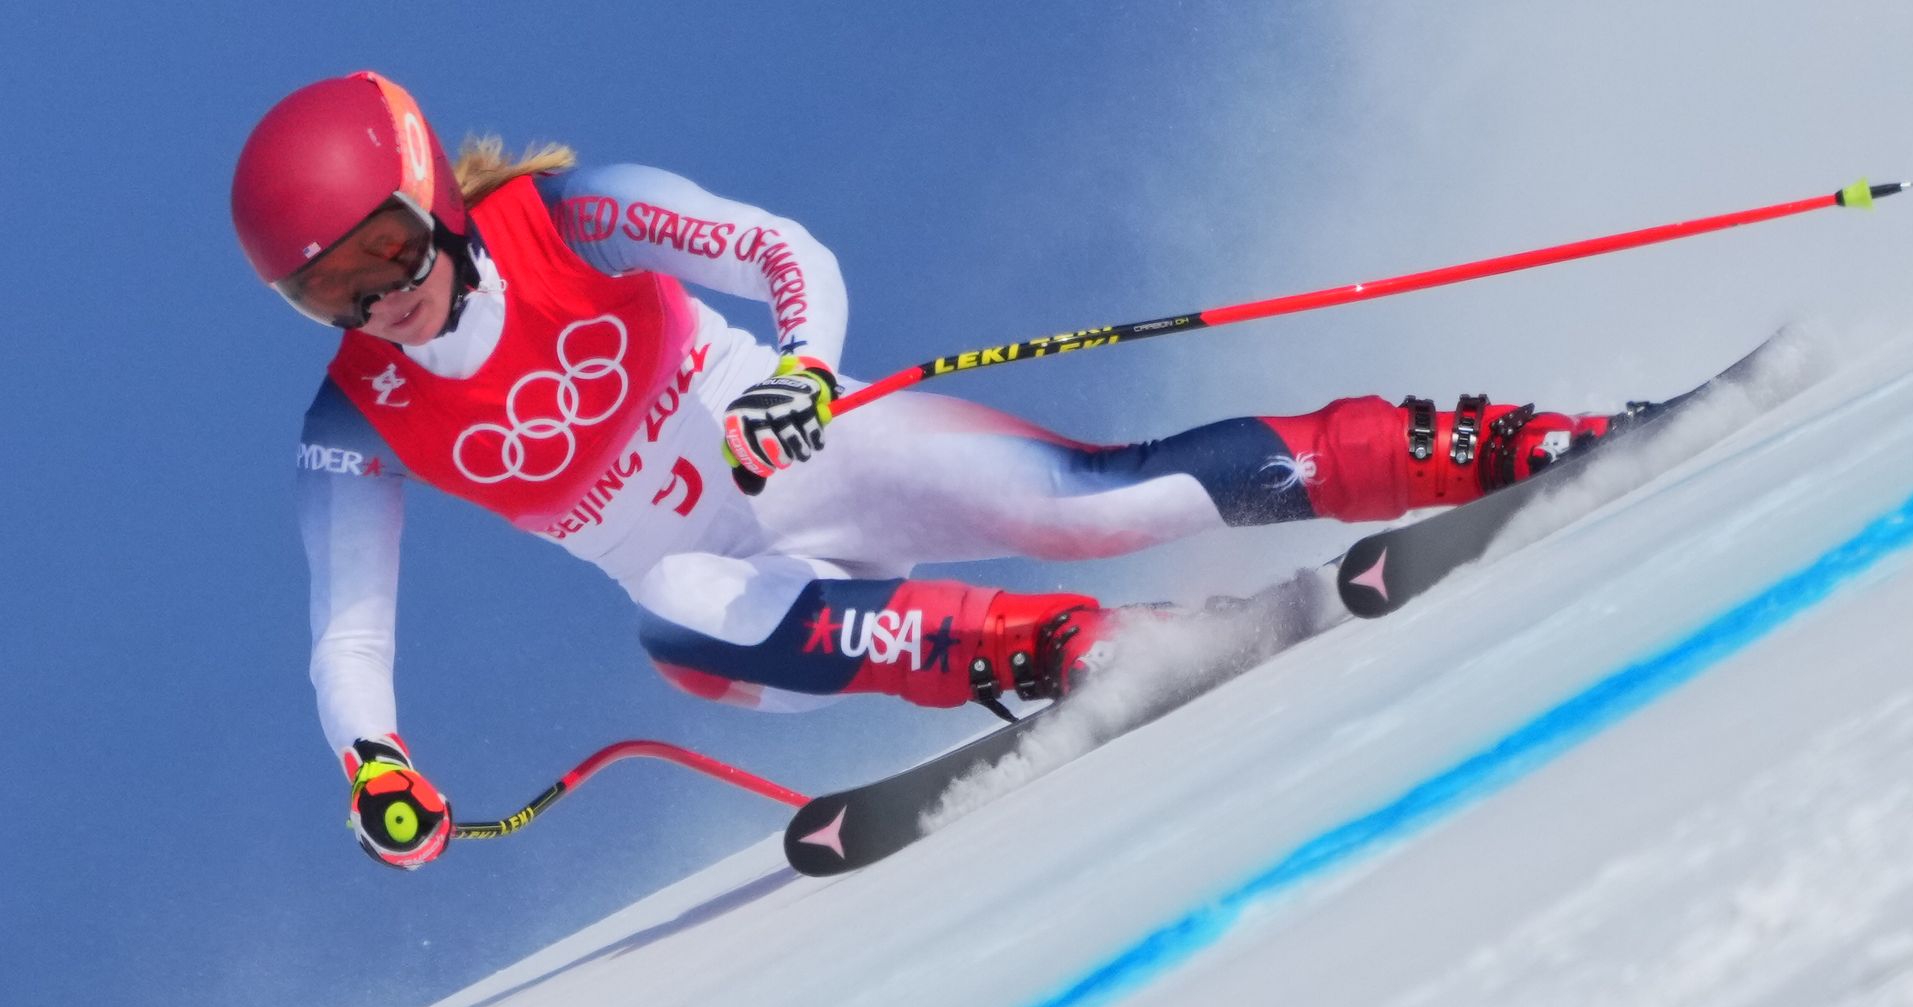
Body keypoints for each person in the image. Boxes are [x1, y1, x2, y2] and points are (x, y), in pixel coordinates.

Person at [233, 72, 1619, 870]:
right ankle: (1073, 651)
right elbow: (348, 627)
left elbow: (780, 253)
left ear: (436, 195)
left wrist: (801, 372)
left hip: (807, 460)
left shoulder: (568, 214)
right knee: (679, 607)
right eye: (331, 292)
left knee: (1097, 503)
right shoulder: (355, 418)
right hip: (738, 612)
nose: (381, 300)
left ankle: (1505, 446)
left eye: (388, 251)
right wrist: (376, 766)